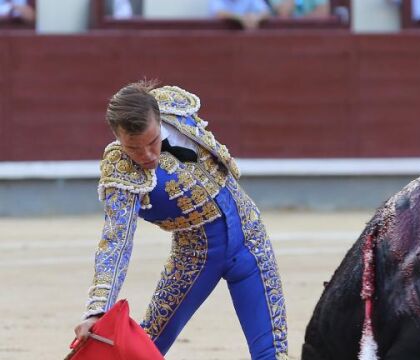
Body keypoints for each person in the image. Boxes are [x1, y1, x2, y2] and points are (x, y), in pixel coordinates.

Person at [73, 80, 288, 360]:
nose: (147, 155)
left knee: (272, 353)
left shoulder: (175, 108)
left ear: (159, 119)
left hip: (250, 235)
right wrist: (97, 310)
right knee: (144, 348)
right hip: (195, 257)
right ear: (117, 138)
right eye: (134, 149)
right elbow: (116, 242)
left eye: (152, 142)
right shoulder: (120, 172)